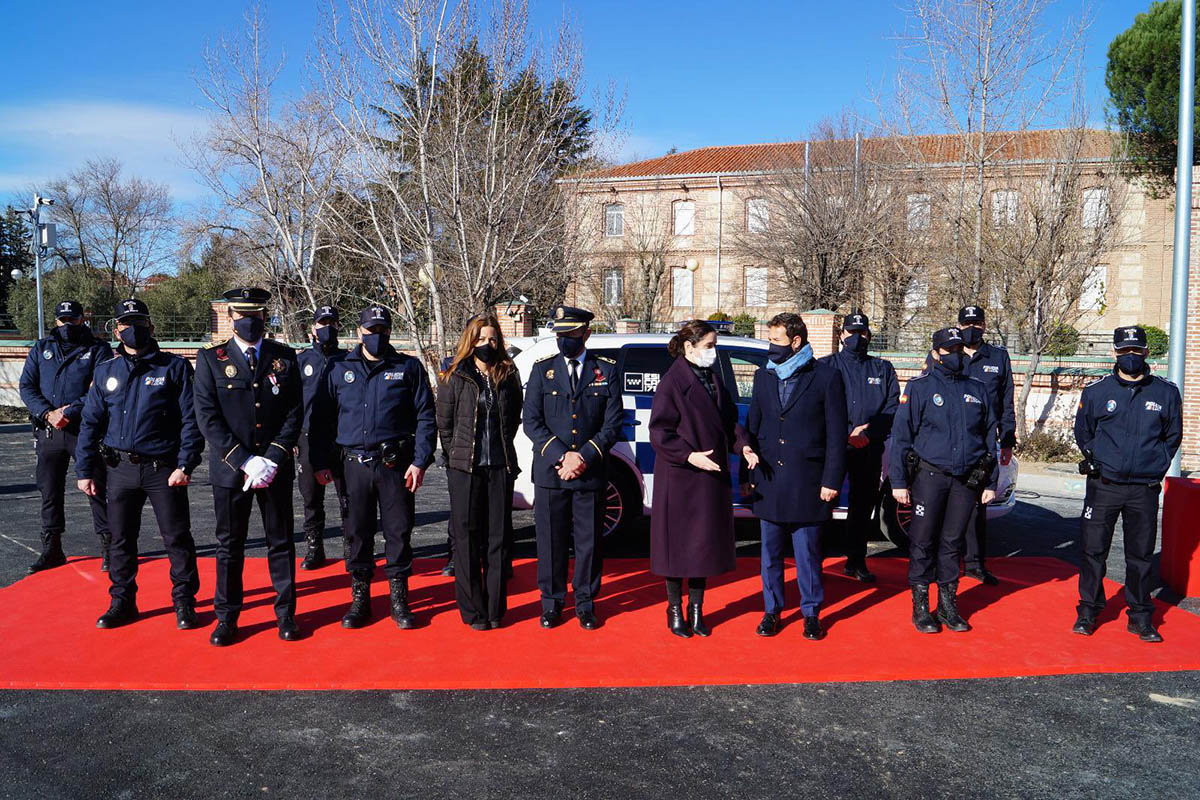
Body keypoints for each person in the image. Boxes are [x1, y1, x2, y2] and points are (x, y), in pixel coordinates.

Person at [75, 298, 204, 630]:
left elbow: (192, 421)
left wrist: (185, 464)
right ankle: (122, 601)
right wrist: (84, 469)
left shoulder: (173, 368)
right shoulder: (106, 371)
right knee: (120, 539)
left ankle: (184, 602)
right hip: (119, 469)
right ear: (117, 329)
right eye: (126, 324)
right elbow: (90, 422)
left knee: (176, 537)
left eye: (139, 322)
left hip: (164, 469)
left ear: (151, 326)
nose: (133, 330)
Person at [310, 305, 437, 630]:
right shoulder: (339, 368)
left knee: (398, 531)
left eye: (382, 331)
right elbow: (322, 419)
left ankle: (399, 599)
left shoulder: (408, 367)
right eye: (371, 331)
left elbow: (425, 416)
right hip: (353, 465)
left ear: (389, 332)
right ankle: (360, 598)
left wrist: (421, 461)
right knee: (357, 533)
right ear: (358, 331)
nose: (376, 336)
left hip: (395, 466)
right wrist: (321, 461)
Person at [193, 287, 304, 646]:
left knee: (281, 542)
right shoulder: (211, 359)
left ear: (264, 318)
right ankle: (226, 617)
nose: (249, 322)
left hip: (274, 469)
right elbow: (207, 418)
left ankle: (286, 615)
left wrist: (271, 458)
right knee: (229, 546)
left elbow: (294, 412)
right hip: (231, 471)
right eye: (242, 316)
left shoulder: (284, 358)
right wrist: (245, 460)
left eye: (255, 316)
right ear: (230, 317)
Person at [1072, 326, 1182, 642]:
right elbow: (1084, 431)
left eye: (1136, 351)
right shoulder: (1096, 392)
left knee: (1141, 555)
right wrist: (1096, 458)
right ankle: (1088, 612)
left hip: (1144, 488)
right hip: (1104, 485)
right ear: (1114, 353)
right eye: (1124, 352)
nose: (1130, 357)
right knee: (1094, 552)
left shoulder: (1165, 393)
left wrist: (1156, 465)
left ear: (1147, 353)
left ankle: (1140, 616)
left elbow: (1172, 436)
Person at [648, 320, 756, 638]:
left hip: (710, 478)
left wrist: (744, 445)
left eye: (714, 345)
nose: (713, 351)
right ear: (689, 347)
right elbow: (660, 432)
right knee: (676, 549)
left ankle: (697, 610)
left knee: (702, 547)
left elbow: (729, 421)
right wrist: (689, 455)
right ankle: (674, 609)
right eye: (709, 346)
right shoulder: (672, 382)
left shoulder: (711, 377)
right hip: (682, 478)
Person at [745, 313, 847, 640]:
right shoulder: (764, 377)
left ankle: (811, 613)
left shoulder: (826, 378)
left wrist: (832, 481)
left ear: (796, 342)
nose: (770, 347)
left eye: (776, 341)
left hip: (809, 482)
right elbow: (753, 429)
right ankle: (772, 611)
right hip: (770, 481)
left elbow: (835, 436)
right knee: (770, 556)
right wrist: (747, 476)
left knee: (808, 555)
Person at [889, 327, 998, 634]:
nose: (955, 356)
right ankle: (921, 606)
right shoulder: (920, 388)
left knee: (953, 543)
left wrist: (990, 482)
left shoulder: (977, 389)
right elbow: (901, 437)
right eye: (949, 351)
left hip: (965, 480)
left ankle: (948, 604)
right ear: (936, 354)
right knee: (923, 541)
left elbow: (990, 437)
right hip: (929, 477)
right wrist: (898, 481)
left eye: (960, 350)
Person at [521, 305, 623, 630]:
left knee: (588, 542)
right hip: (552, 472)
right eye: (561, 335)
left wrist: (584, 457)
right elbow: (532, 421)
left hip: (590, 471)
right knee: (550, 541)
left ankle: (585, 603)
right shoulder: (543, 370)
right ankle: (551, 603)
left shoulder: (605, 370)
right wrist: (563, 457)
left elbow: (612, 422)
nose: (565, 340)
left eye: (571, 335)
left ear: (586, 334)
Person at [436, 315, 523, 630]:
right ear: (470, 341)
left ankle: (496, 608)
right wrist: (456, 457)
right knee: (467, 539)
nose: (487, 345)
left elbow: (513, 419)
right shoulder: (453, 376)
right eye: (481, 339)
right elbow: (445, 426)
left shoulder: (508, 374)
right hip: (465, 469)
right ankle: (473, 611)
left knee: (498, 539)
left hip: (499, 466)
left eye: (492, 339)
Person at [19, 299, 113, 574]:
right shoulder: (42, 348)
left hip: (84, 429)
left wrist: (71, 411)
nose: (68, 325)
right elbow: (27, 386)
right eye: (63, 320)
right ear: (56, 321)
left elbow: (102, 389)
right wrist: (47, 413)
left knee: (95, 488)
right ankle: (52, 548)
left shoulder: (98, 349)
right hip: (48, 429)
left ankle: (110, 546)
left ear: (82, 319)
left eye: (73, 320)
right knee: (48, 490)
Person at [819, 311, 899, 583]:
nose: (857, 337)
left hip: (868, 446)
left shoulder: (882, 369)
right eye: (851, 332)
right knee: (823, 502)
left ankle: (856, 561)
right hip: (834, 446)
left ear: (869, 335)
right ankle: (817, 560)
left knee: (862, 506)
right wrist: (844, 434)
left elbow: (891, 408)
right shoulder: (825, 366)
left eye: (862, 333)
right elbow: (816, 408)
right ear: (842, 335)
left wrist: (868, 431)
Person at [957, 305, 1016, 586]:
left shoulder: (998, 357)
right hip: (949, 440)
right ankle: (941, 561)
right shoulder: (948, 353)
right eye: (968, 323)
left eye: (978, 323)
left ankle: (974, 563)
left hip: (983, 441)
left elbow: (1007, 402)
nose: (973, 328)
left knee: (976, 506)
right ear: (958, 325)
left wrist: (1008, 439)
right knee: (942, 502)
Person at [296, 305, 349, 570]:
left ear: (338, 327)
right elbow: (292, 403)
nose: (326, 327)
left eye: (332, 322)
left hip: (342, 437)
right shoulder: (301, 361)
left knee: (348, 496)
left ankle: (352, 546)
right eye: (322, 323)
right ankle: (315, 548)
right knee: (311, 497)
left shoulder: (349, 359)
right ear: (313, 329)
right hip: (308, 436)